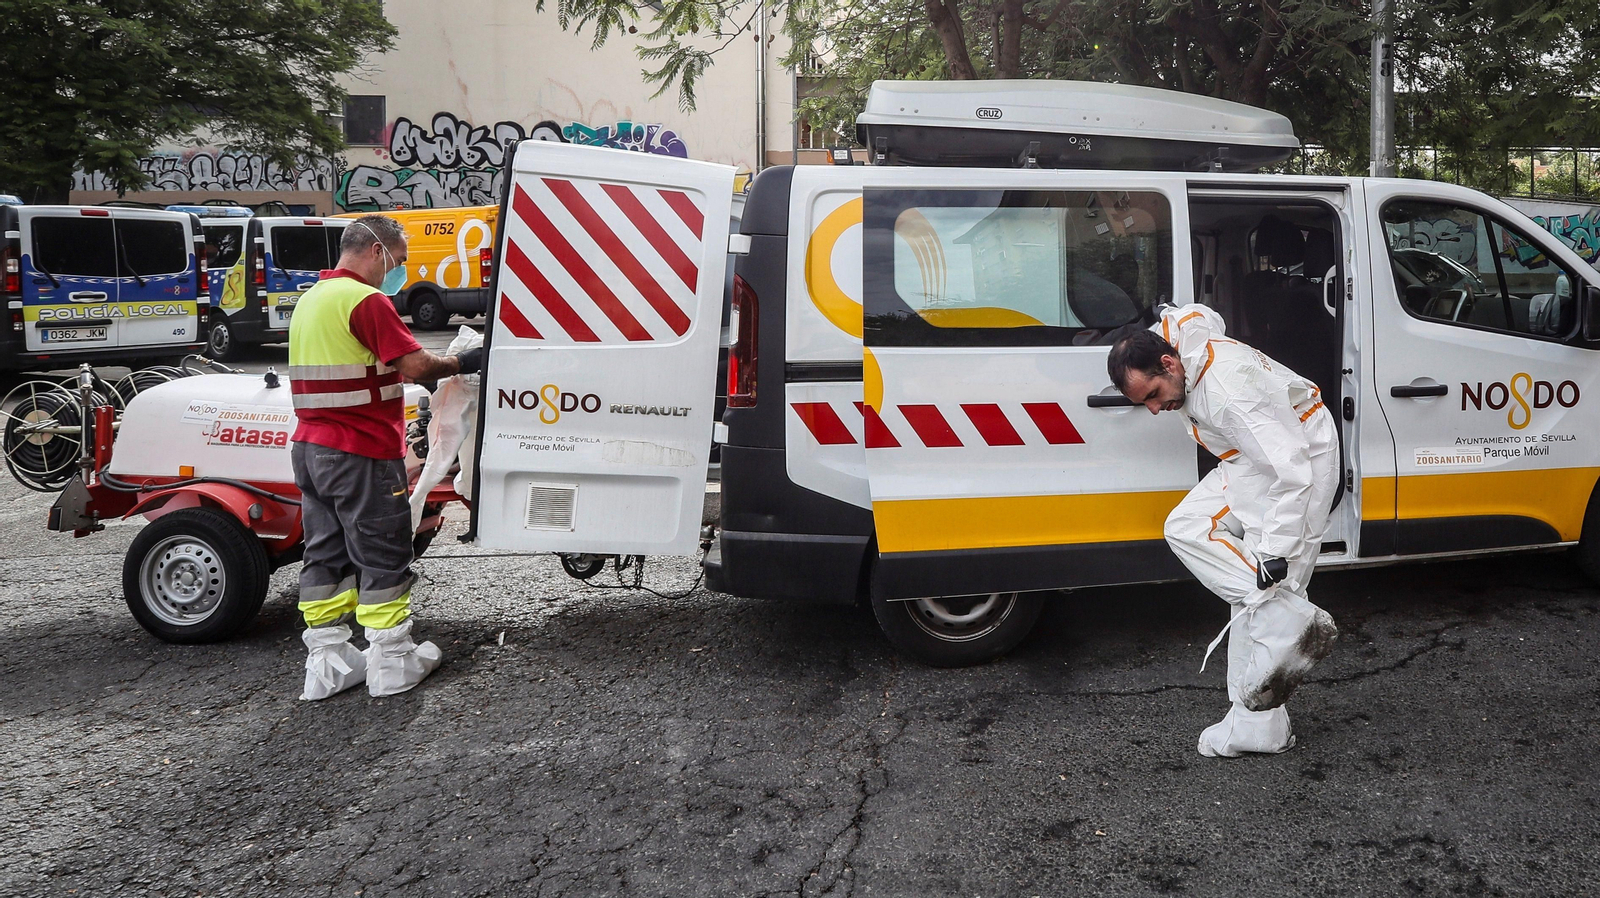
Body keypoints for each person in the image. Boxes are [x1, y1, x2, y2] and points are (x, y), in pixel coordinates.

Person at [1107, 304, 1340, 757]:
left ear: (1169, 365)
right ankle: (1284, 615)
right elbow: (1198, 315)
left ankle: (1259, 726)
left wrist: (1274, 549)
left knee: (1273, 578)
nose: (1156, 409)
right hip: (1247, 455)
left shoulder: (1228, 393)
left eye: (1154, 394)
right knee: (1188, 528)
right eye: (1145, 404)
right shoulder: (1175, 343)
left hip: (1299, 455)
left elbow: (1291, 470)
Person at [289, 214, 482, 700]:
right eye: (398, 260)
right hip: (361, 450)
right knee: (382, 549)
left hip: (310, 449)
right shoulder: (365, 301)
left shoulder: (311, 299)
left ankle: (328, 661)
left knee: (325, 551)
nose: (398, 271)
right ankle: (392, 659)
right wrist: (464, 361)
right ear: (376, 251)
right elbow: (417, 366)